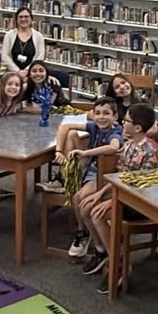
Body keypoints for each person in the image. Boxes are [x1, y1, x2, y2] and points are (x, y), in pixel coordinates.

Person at [82, 103, 158, 293]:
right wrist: (100, 194)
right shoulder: (128, 145)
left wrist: (112, 201)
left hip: (138, 202)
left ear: (138, 127)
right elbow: (121, 176)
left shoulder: (149, 152)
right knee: (86, 206)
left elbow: (140, 188)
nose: (122, 123)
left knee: (97, 214)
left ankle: (119, 264)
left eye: (126, 121)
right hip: (121, 194)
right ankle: (106, 253)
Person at [53, 97, 122, 258]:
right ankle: (66, 177)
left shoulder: (115, 132)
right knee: (70, 134)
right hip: (90, 167)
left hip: (101, 173)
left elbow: (114, 147)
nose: (101, 117)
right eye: (97, 113)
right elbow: (65, 125)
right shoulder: (94, 126)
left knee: (79, 198)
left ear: (115, 117)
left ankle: (82, 232)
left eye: (106, 113)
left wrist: (85, 153)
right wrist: (58, 151)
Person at [0, 7, 45, 78]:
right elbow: (4, 56)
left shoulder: (39, 36)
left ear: (31, 19)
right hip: (12, 74)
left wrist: (27, 71)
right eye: (20, 17)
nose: (23, 19)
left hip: (32, 75)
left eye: (26, 17)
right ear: (16, 19)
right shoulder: (9, 35)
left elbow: (40, 57)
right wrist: (17, 71)